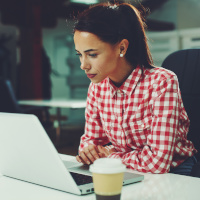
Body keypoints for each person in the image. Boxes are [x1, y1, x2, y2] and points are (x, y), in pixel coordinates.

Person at [72, 2, 197, 175]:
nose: (83, 65)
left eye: (92, 54)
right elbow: (90, 143)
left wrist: (110, 157)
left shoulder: (162, 82)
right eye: (80, 54)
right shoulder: (97, 87)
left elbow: (157, 163)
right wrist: (89, 153)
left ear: (122, 48)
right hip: (127, 170)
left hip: (174, 173)